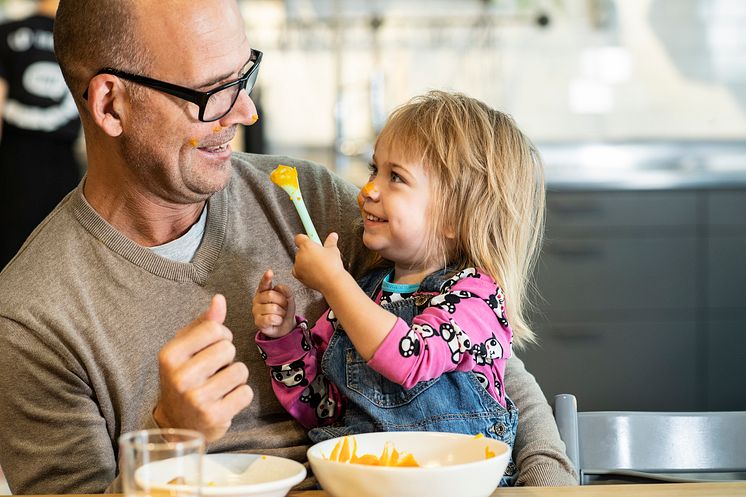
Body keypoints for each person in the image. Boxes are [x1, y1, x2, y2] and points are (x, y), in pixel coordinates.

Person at [0, 0, 576, 494]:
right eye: (213, 92)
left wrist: (549, 479)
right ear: (109, 105)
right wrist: (167, 436)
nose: (246, 112)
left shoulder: (308, 201)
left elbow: (478, 360)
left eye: (244, 75)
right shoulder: (30, 317)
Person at [253, 91, 541, 485]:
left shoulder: (476, 298)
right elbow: (321, 409)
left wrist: (335, 283)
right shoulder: (360, 296)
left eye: (396, 178)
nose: (368, 190)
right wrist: (284, 339)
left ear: (454, 217)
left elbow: (411, 358)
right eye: (374, 170)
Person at [0, 0, 81, 268]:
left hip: (14, 158)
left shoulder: (9, 31)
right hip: (63, 162)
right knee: (51, 254)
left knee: (8, 253)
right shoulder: (82, 41)